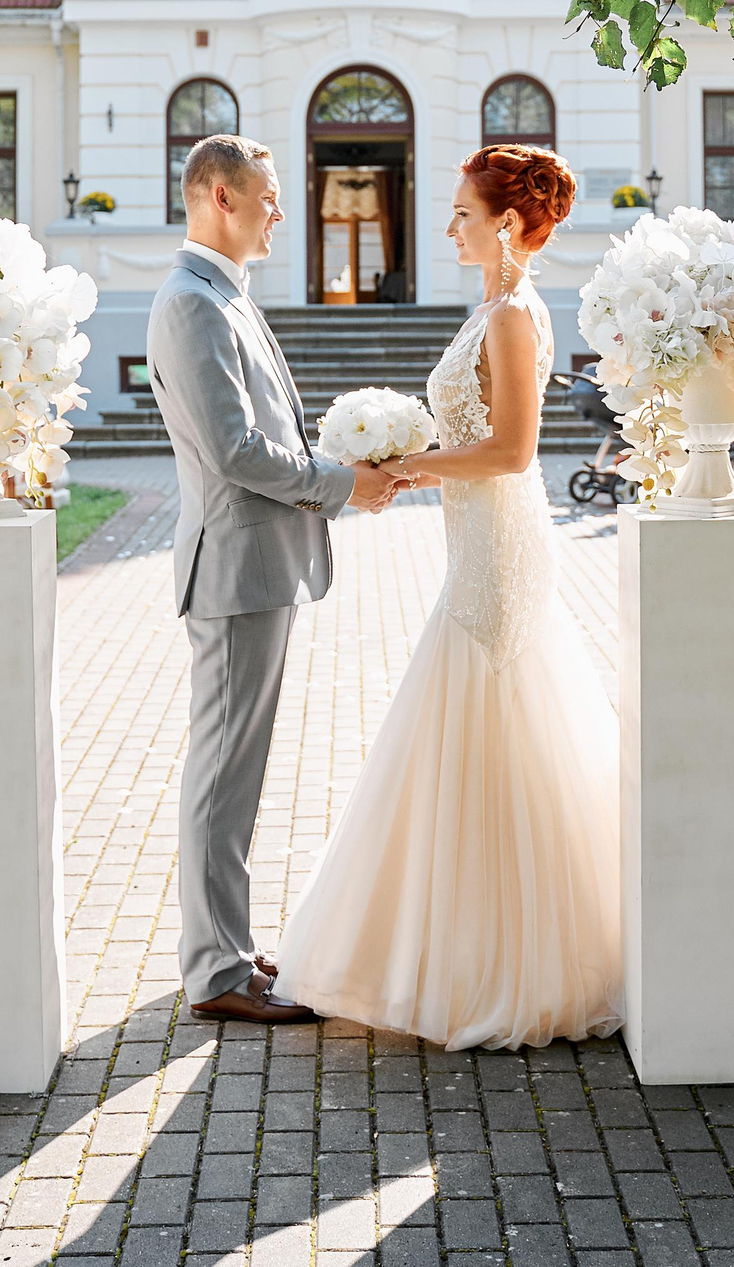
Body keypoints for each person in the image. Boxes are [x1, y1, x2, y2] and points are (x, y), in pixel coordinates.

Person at [272, 145, 619, 1046]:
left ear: (505, 222)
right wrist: (416, 470)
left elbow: (513, 451)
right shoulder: (491, 308)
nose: (451, 226)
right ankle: (471, 944)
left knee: (494, 714)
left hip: (499, 549)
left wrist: (409, 463)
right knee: (484, 727)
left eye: (464, 213)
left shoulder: (513, 315)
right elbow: (481, 439)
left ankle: (508, 961)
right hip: (476, 536)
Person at [145, 133, 400, 1027]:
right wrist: (342, 483)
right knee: (223, 771)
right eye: (267, 196)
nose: (280, 213)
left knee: (236, 769)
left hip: (257, 566)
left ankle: (226, 942)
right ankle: (215, 969)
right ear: (220, 196)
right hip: (235, 568)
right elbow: (235, 450)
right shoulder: (194, 301)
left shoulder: (224, 294)